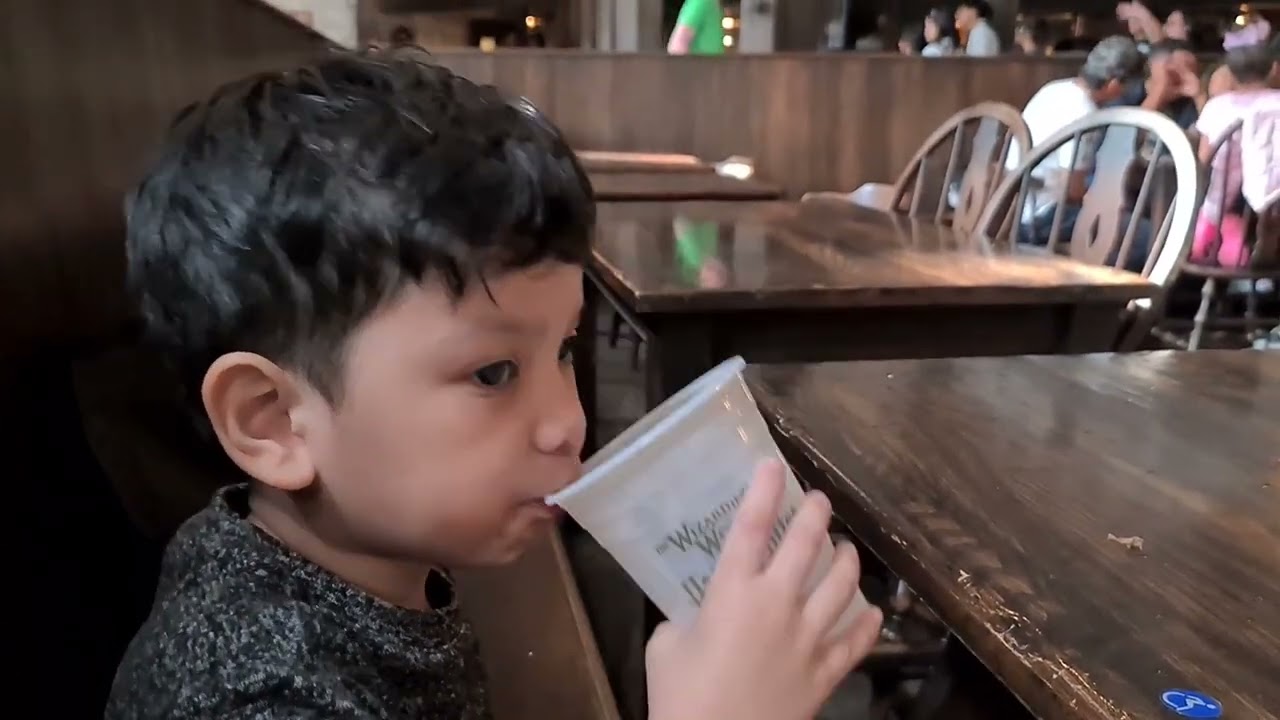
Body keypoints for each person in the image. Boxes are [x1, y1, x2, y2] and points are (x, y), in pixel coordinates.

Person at [104, 50, 883, 719]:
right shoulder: (259, 692)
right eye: (493, 372)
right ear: (274, 421)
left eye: (565, 350)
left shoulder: (360, 548)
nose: (567, 425)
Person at [1006, 36, 1150, 266]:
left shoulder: (1054, 88)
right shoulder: (1085, 113)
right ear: (1114, 84)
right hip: (1042, 215)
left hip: (1012, 203)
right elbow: (1071, 190)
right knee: (1147, 235)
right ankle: (1094, 293)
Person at [1191, 41, 1280, 266]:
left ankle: (1222, 244)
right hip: (1271, 204)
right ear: (1274, 69)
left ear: (1230, 74)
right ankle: (1261, 251)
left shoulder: (1217, 107)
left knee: (1214, 188)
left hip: (1225, 200)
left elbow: (1203, 161)